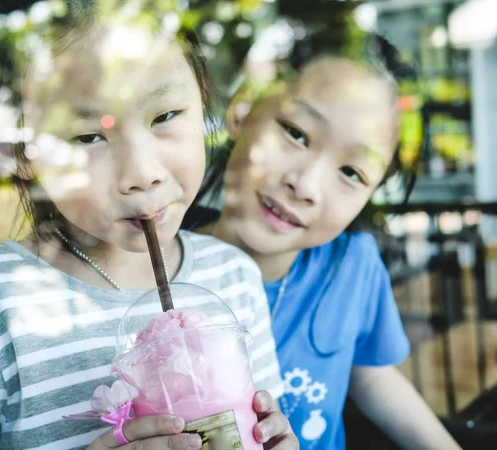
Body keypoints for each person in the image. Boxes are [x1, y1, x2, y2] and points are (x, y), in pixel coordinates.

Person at [0, 2, 298, 449]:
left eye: (165, 116)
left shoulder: (234, 278)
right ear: (16, 149)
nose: (142, 172)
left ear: (204, 100)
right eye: (88, 137)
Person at [189, 17, 461, 450]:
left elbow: (369, 376)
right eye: (296, 133)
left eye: (351, 172)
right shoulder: (154, 268)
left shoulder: (352, 266)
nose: (306, 184)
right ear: (243, 109)